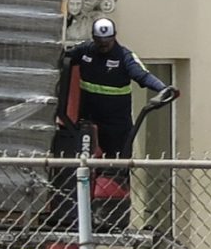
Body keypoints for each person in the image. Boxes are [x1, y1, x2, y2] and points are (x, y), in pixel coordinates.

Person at [56, 17, 172, 230]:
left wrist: (163, 89)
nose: (103, 45)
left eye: (107, 41)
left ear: (114, 38)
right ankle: (80, 212)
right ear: (94, 38)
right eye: (99, 41)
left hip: (116, 124)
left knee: (116, 167)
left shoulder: (124, 56)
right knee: (85, 165)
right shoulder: (85, 51)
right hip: (89, 122)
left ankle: (112, 216)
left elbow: (142, 75)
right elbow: (64, 58)